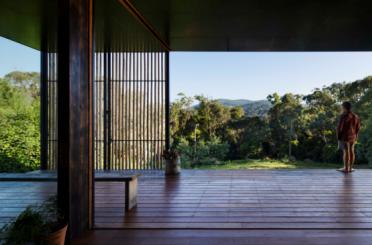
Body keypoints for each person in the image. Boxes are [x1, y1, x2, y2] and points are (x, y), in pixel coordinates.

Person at [336, 101, 361, 173]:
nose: (341, 108)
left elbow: (340, 127)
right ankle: (350, 168)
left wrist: (338, 136)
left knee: (346, 152)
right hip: (353, 136)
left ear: (344, 107)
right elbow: (358, 127)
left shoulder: (343, 116)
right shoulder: (355, 116)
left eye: (342, 107)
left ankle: (346, 168)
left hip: (345, 136)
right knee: (351, 151)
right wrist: (356, 135)